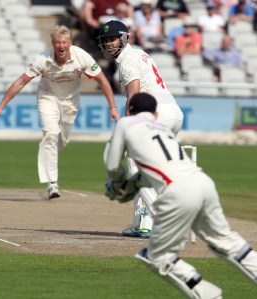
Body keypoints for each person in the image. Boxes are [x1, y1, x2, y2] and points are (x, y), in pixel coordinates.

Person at [104, 92, 257, 298]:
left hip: (178, 192)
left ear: (129, 111)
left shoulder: (126, 123)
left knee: (155, 255)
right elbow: (162, 168)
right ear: (156, 114)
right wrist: (136, 183)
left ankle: (208, 295)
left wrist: (119, 182)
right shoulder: (163, 129)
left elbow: (113, 166)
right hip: (204, 183)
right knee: (226, 242)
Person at [0, 25, 120, 200]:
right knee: (50, 134)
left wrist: (112, 107)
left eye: (64, 42)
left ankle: (46, 151)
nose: (61, 46)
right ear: (53, 44)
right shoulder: (42, 59)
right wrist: (1, 106)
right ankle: (52, 183)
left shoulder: (82, 57)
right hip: (47, 97)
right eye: (57, 42)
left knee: (61, 141)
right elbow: (21, 82)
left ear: (70, 43)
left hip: (70, 101)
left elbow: (102, 81)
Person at [98, 20, 184, 238]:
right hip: (172, 113)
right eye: (106, 40)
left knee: (136, 167)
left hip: (156, 115)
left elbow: (134, 97)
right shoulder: (139, 54)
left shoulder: (127, 60)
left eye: (113, 39)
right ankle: (142, 224)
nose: (109, 44)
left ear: (124, 38)